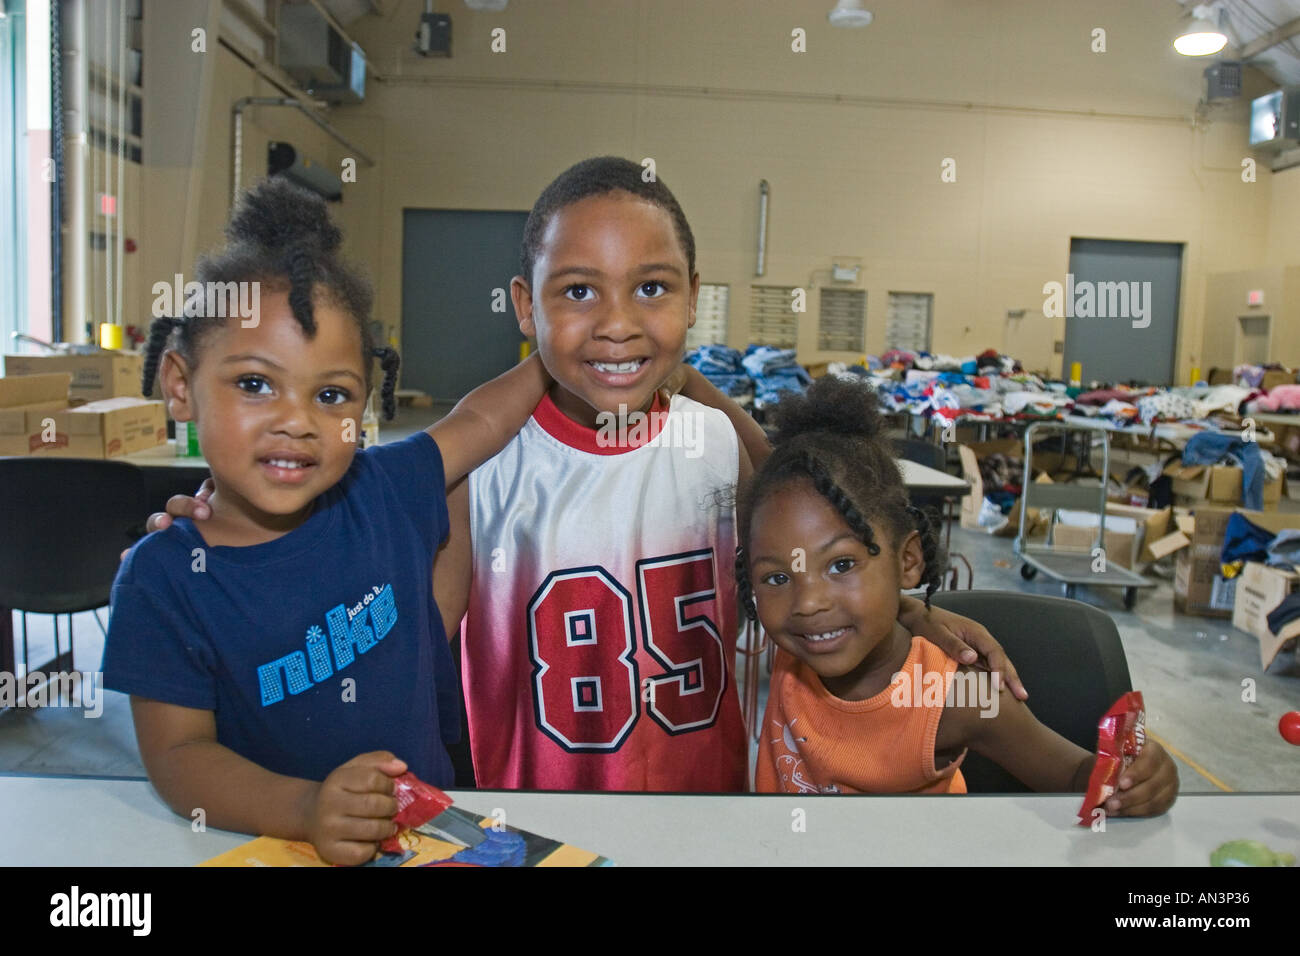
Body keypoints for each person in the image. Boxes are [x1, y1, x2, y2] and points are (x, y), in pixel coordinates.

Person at [150, 157, 1027, 794]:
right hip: (526, 828)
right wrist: (229, 536)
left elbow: (837, 557)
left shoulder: (723, 448)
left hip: (709, 817)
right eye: (576, 292)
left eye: (652, 289)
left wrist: (915, 609)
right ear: (525, 306)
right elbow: (372, 619)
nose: (617, 323)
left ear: (692, 297)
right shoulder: (470, 472)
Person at [103, 177, 550, 865]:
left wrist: (567, 344)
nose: (296, 422)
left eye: (332, 395)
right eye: (255, 384)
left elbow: (480, 421)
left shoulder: (385, 487)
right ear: (178, 385)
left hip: (431, 837)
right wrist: (307, 809)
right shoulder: (163, 576)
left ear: (365, 409)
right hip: (275, 846)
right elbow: (178, 757)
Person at [746, 376, 1179, 816]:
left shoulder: (957, 698)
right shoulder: (800, 645)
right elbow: (765, 464)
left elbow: (1072, 776)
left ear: (908, 560)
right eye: (777, 578)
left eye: (841, 565)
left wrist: (1139, 781)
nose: (808, 602)